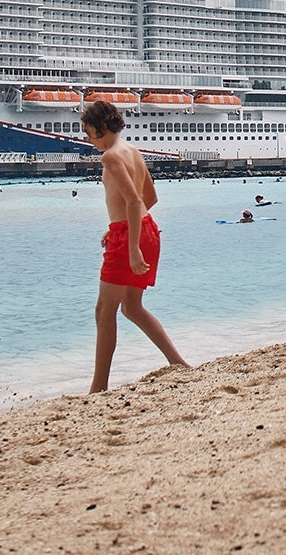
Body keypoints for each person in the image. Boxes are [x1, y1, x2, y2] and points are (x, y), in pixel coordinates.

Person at [80, 101, 188, 394]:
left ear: (101, 129)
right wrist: (116, 226)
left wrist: (130, 244)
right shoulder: (133, 151)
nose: (89, 141)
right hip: (146, 229)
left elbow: (134, 201)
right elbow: (150, 199)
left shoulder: (111, 157)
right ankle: (178, 363)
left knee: (105, 310)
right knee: (132, 307)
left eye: (90, 133)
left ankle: (98, 387)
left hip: (131, 236)